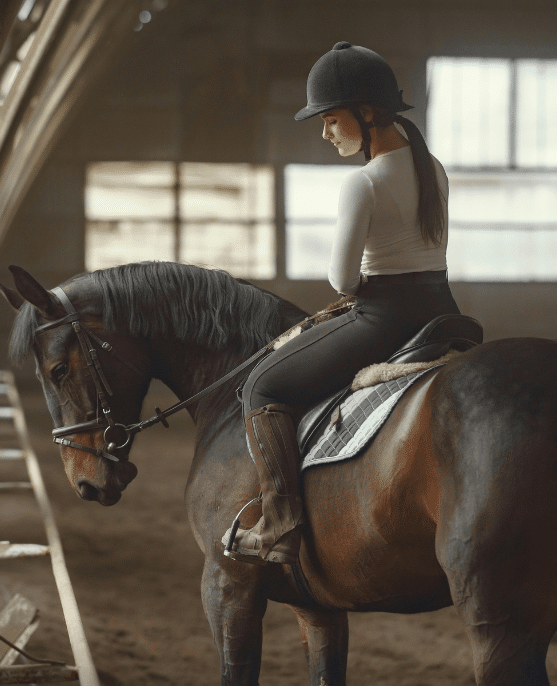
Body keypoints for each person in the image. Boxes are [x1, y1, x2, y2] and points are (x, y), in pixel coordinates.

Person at [222, 42, 462, 566]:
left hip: (383, 318)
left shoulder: (364, 183)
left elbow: (343, 278)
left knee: (263, 384)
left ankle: (280, 524)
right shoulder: (434, 167)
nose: (326, 133)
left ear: (366, 113)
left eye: (330, 120)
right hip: (443, 310)